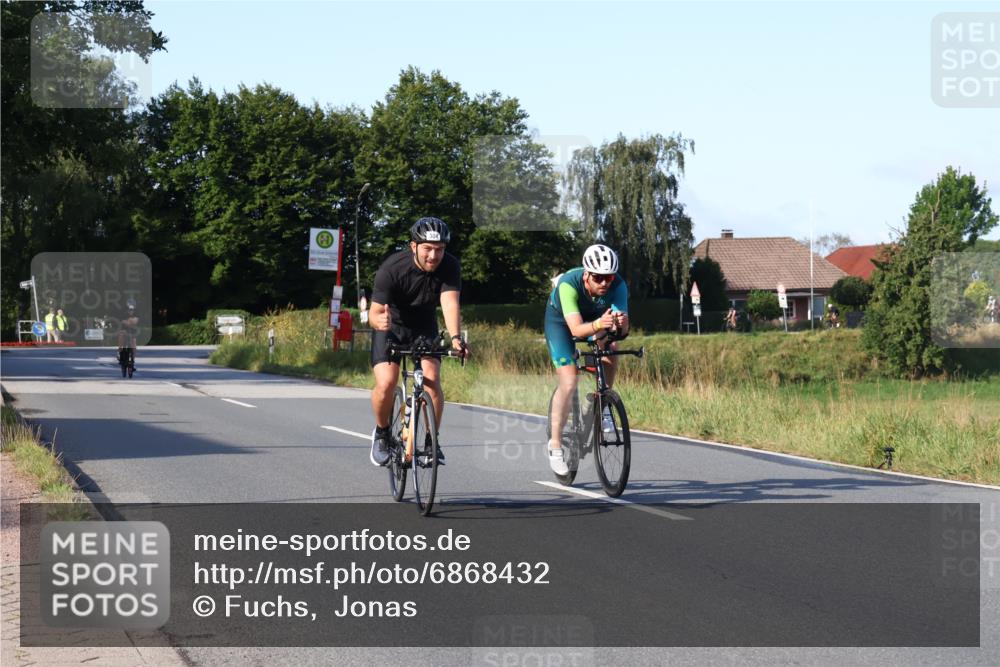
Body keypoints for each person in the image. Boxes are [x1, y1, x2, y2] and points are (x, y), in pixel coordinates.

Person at [368, 217, 470, 467]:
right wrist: (377, 322)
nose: (434, 256)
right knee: (387, 382)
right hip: (391, 324)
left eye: (439, 249)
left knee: (432, 381)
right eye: (428, 249)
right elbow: (374, 312)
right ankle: (381, 433)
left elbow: (449, 302)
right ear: (414, 246)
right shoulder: (392, 268)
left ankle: (430, 440)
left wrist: (456, 337)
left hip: (424, 325)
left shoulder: (450, 266)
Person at [544, 244, 629, 475]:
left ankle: (603, 404)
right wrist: (600, 324)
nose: (604, 283)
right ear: (587, 274)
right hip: (562, 322)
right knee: (570, 382)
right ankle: (555, 446)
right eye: (599, 278)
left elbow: (623, 330)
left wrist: (620, 325)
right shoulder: (568, 284)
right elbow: (576, 329)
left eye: (608, 278)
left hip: (595, 319)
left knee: (611, 346)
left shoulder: (618, 285)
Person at [117, 300, 140, 370]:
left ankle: (132, 361)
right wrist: (129, 322)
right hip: (124, 329)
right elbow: (124, 322)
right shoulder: (123, 314)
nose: (131, 311)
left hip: (132, 330)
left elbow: (135, 321)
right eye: (129, 310)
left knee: (134, 344)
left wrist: (130, 321)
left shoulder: (137, 314)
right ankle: (120, 352)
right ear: (127, 310)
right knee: (121, 335)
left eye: (132, 310)